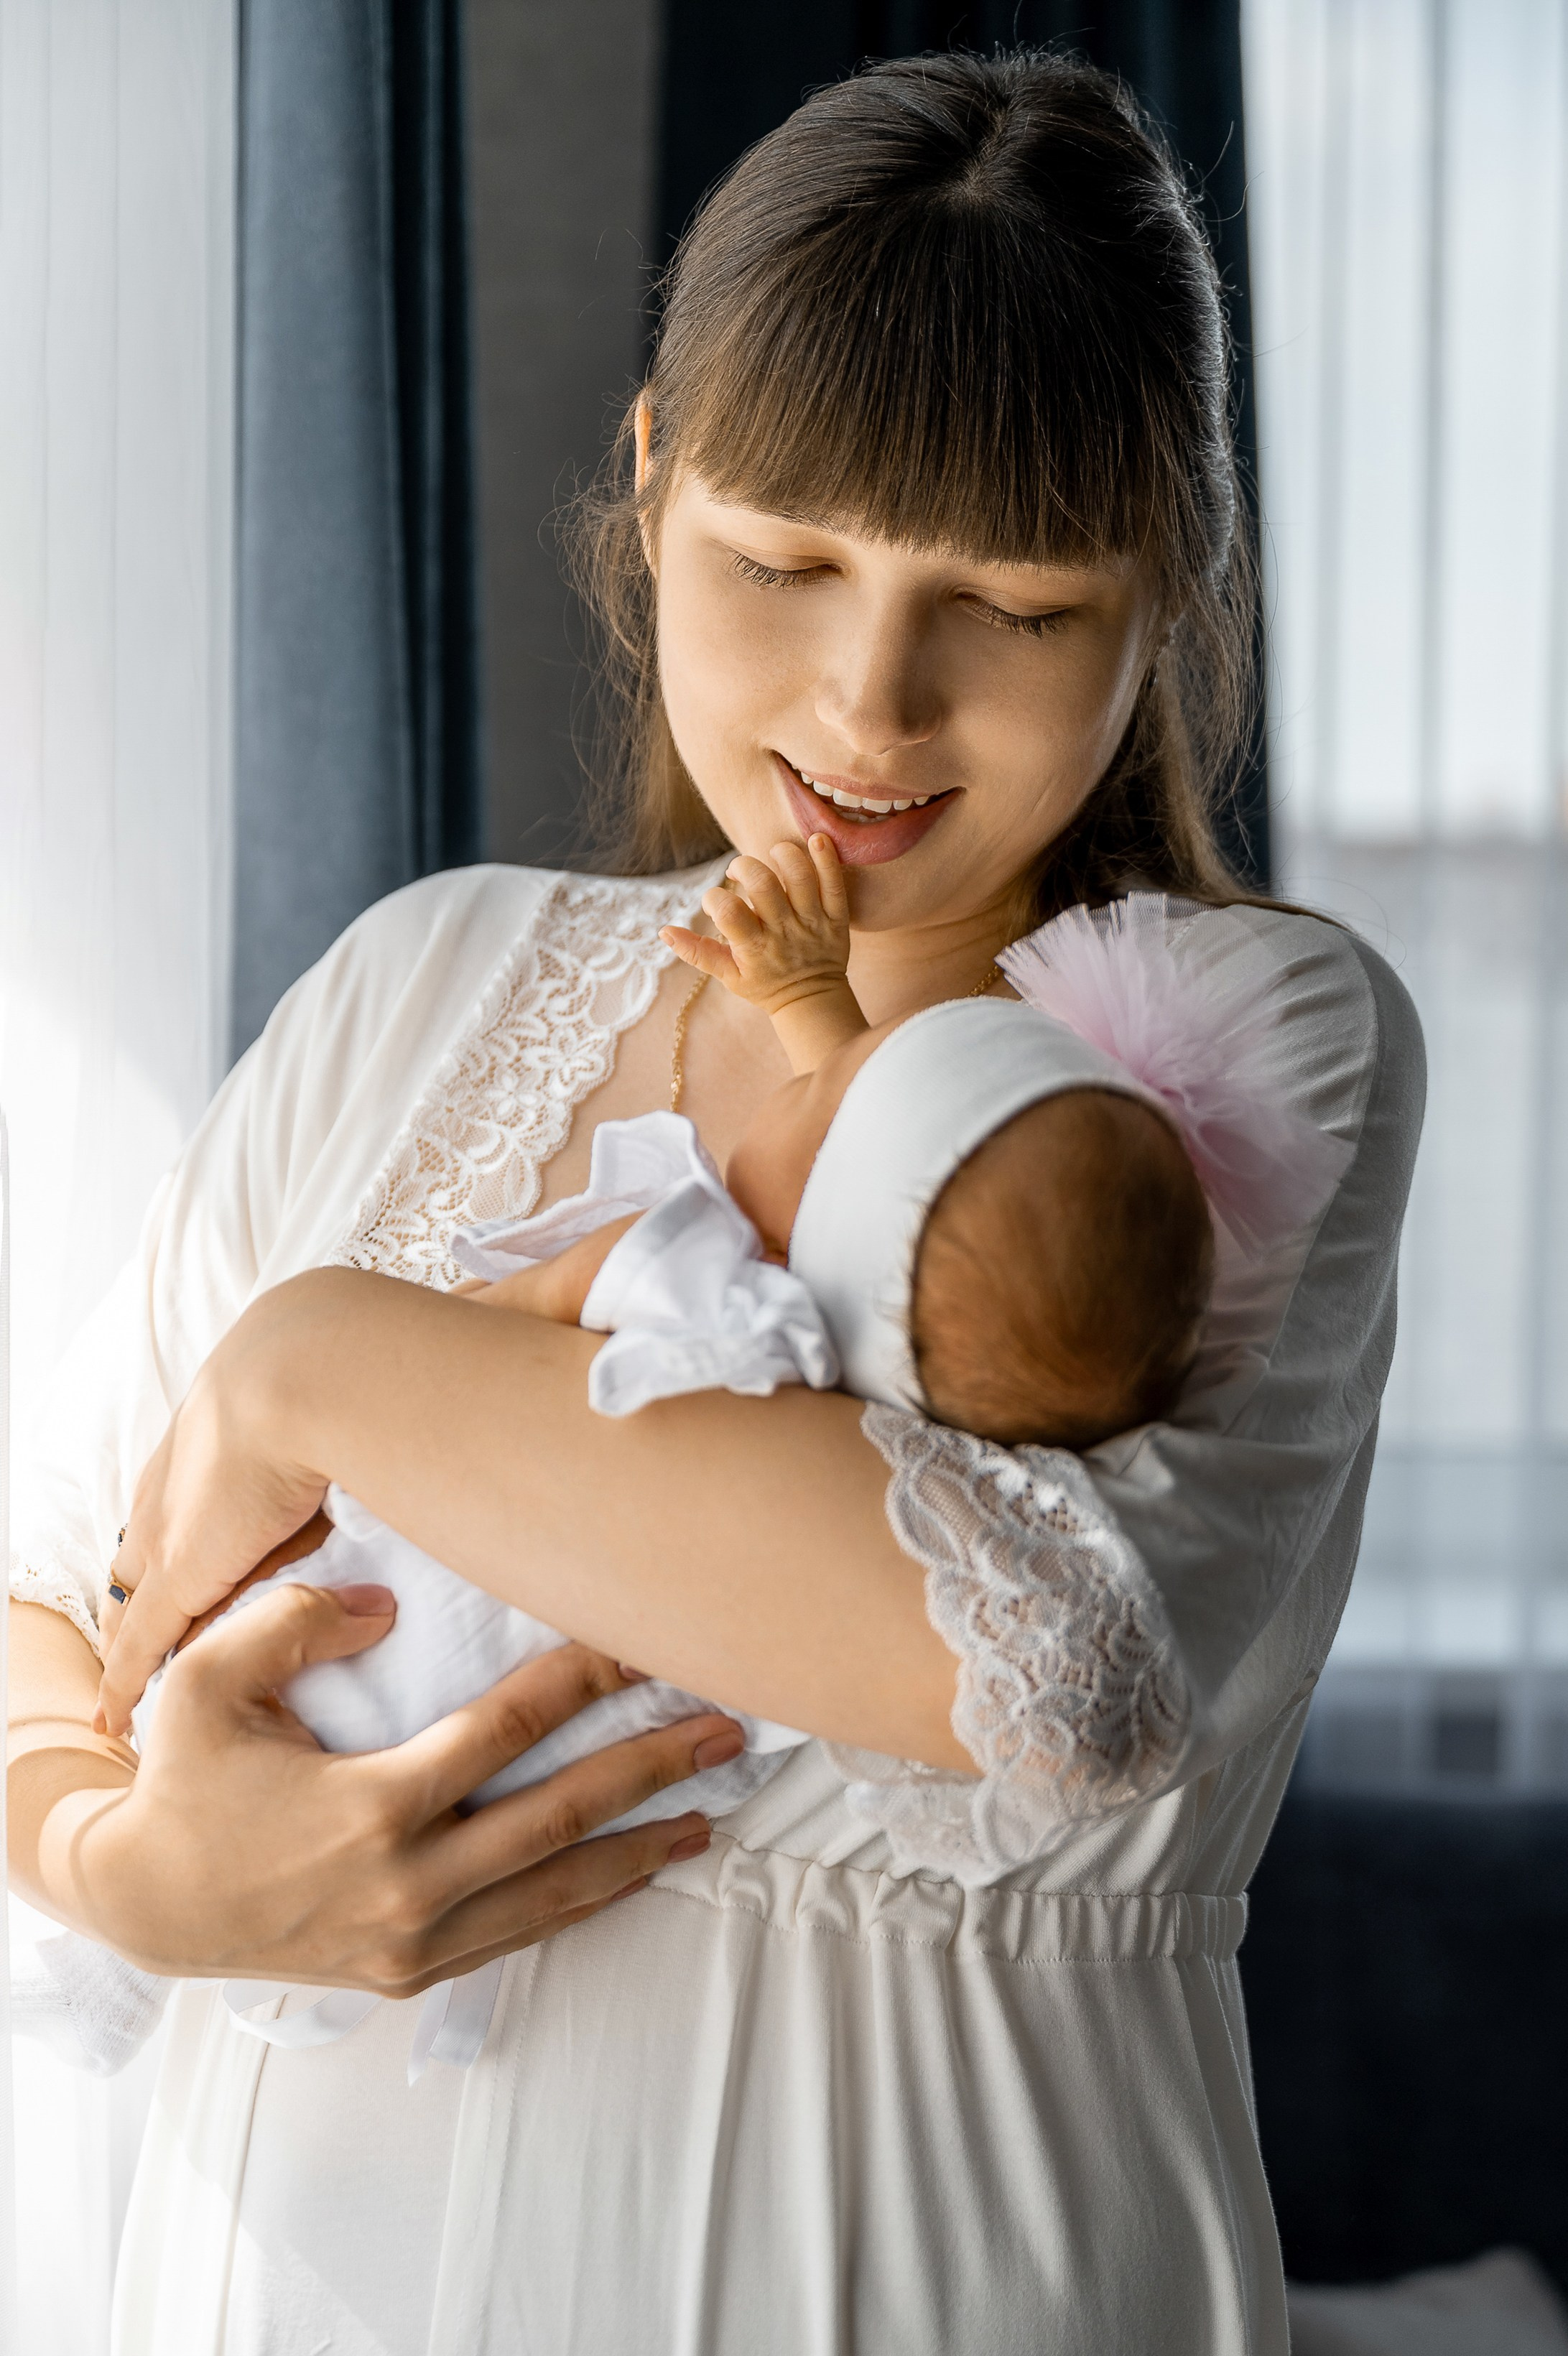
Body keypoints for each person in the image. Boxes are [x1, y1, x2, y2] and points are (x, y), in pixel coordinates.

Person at [6, 49, 1424, 2356]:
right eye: (786, 563)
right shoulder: (422, 972)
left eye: (1020, 605)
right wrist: (121, 1864)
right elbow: (45, 1580)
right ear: (654, 474)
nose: (873, 703)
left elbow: (1039, 1669)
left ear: (1169, 586)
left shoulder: (1232, 1053)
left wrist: (316, 1368)